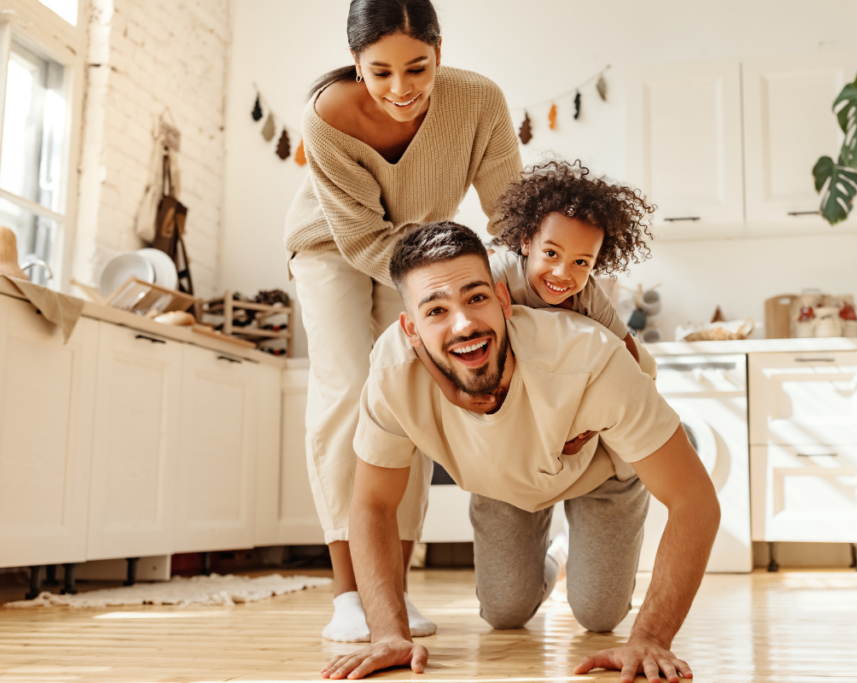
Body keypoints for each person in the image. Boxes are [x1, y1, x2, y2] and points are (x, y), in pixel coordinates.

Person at [321, 222, 721, 681]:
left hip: (597, 472)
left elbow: (696, 502)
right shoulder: (392, 374)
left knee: (598, 614)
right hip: (501, 480)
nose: (465, 324)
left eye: (476, 298)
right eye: (436, 310)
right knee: (504, 611)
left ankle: (577, 545)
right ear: (410, 329)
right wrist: (389, 633)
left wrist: (651, 636)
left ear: (503, 299)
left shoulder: (591, 358)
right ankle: (558, 556)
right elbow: (372, 503)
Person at [284, 0, 522, 642]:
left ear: (440, 52)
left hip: (420, 258)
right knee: (344, 391)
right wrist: (440, 285)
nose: (400, 89)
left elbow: (510, 215)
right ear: (357, 64)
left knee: (408, 400)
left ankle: (394, 585)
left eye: (417, 68)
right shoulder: (327, 115)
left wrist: (530, 280)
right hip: (333, 246)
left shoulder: (479, 101)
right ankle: (348, 596)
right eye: (380, 72)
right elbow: (361, 240)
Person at [415, 159, 658, 415]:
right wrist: (453, 394)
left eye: (580, 262)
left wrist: (602, 414)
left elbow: (628, 353)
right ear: (527, 242)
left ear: (595, 263)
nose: (563, 273)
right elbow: (423, 332)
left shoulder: (589, 295)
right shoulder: (499, 274)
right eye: (551, 253)